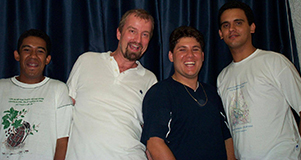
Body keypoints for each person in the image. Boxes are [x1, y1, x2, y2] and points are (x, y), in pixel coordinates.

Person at [65, 9, 157, 159]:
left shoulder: (150, 80)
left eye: (145, 34)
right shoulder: (86, 61)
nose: (138, 40)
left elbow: (151, 135)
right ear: (119, 33)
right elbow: (64, 116)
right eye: (132, 31)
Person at [217, 0, 301, 159]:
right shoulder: (223, 77)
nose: (232, 29)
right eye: (226, 25)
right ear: (221, 34)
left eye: (238, 23)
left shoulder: (274, 62)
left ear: (252, 27)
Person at [141, 26, 235, 160]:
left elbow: (226, 136)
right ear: (171, 56)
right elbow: (154, 143)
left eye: (195, 49)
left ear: (202, 56)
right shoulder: (160, 93)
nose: (190, 55)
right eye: (182, 50)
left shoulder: (212, 93)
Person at [0, 29, 73, 160]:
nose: (33, 56)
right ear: (17, 55)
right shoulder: (1, 87)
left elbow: (63, 141)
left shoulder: (58, 89)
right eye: (27, 50)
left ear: (47, 59)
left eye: (40, 51)